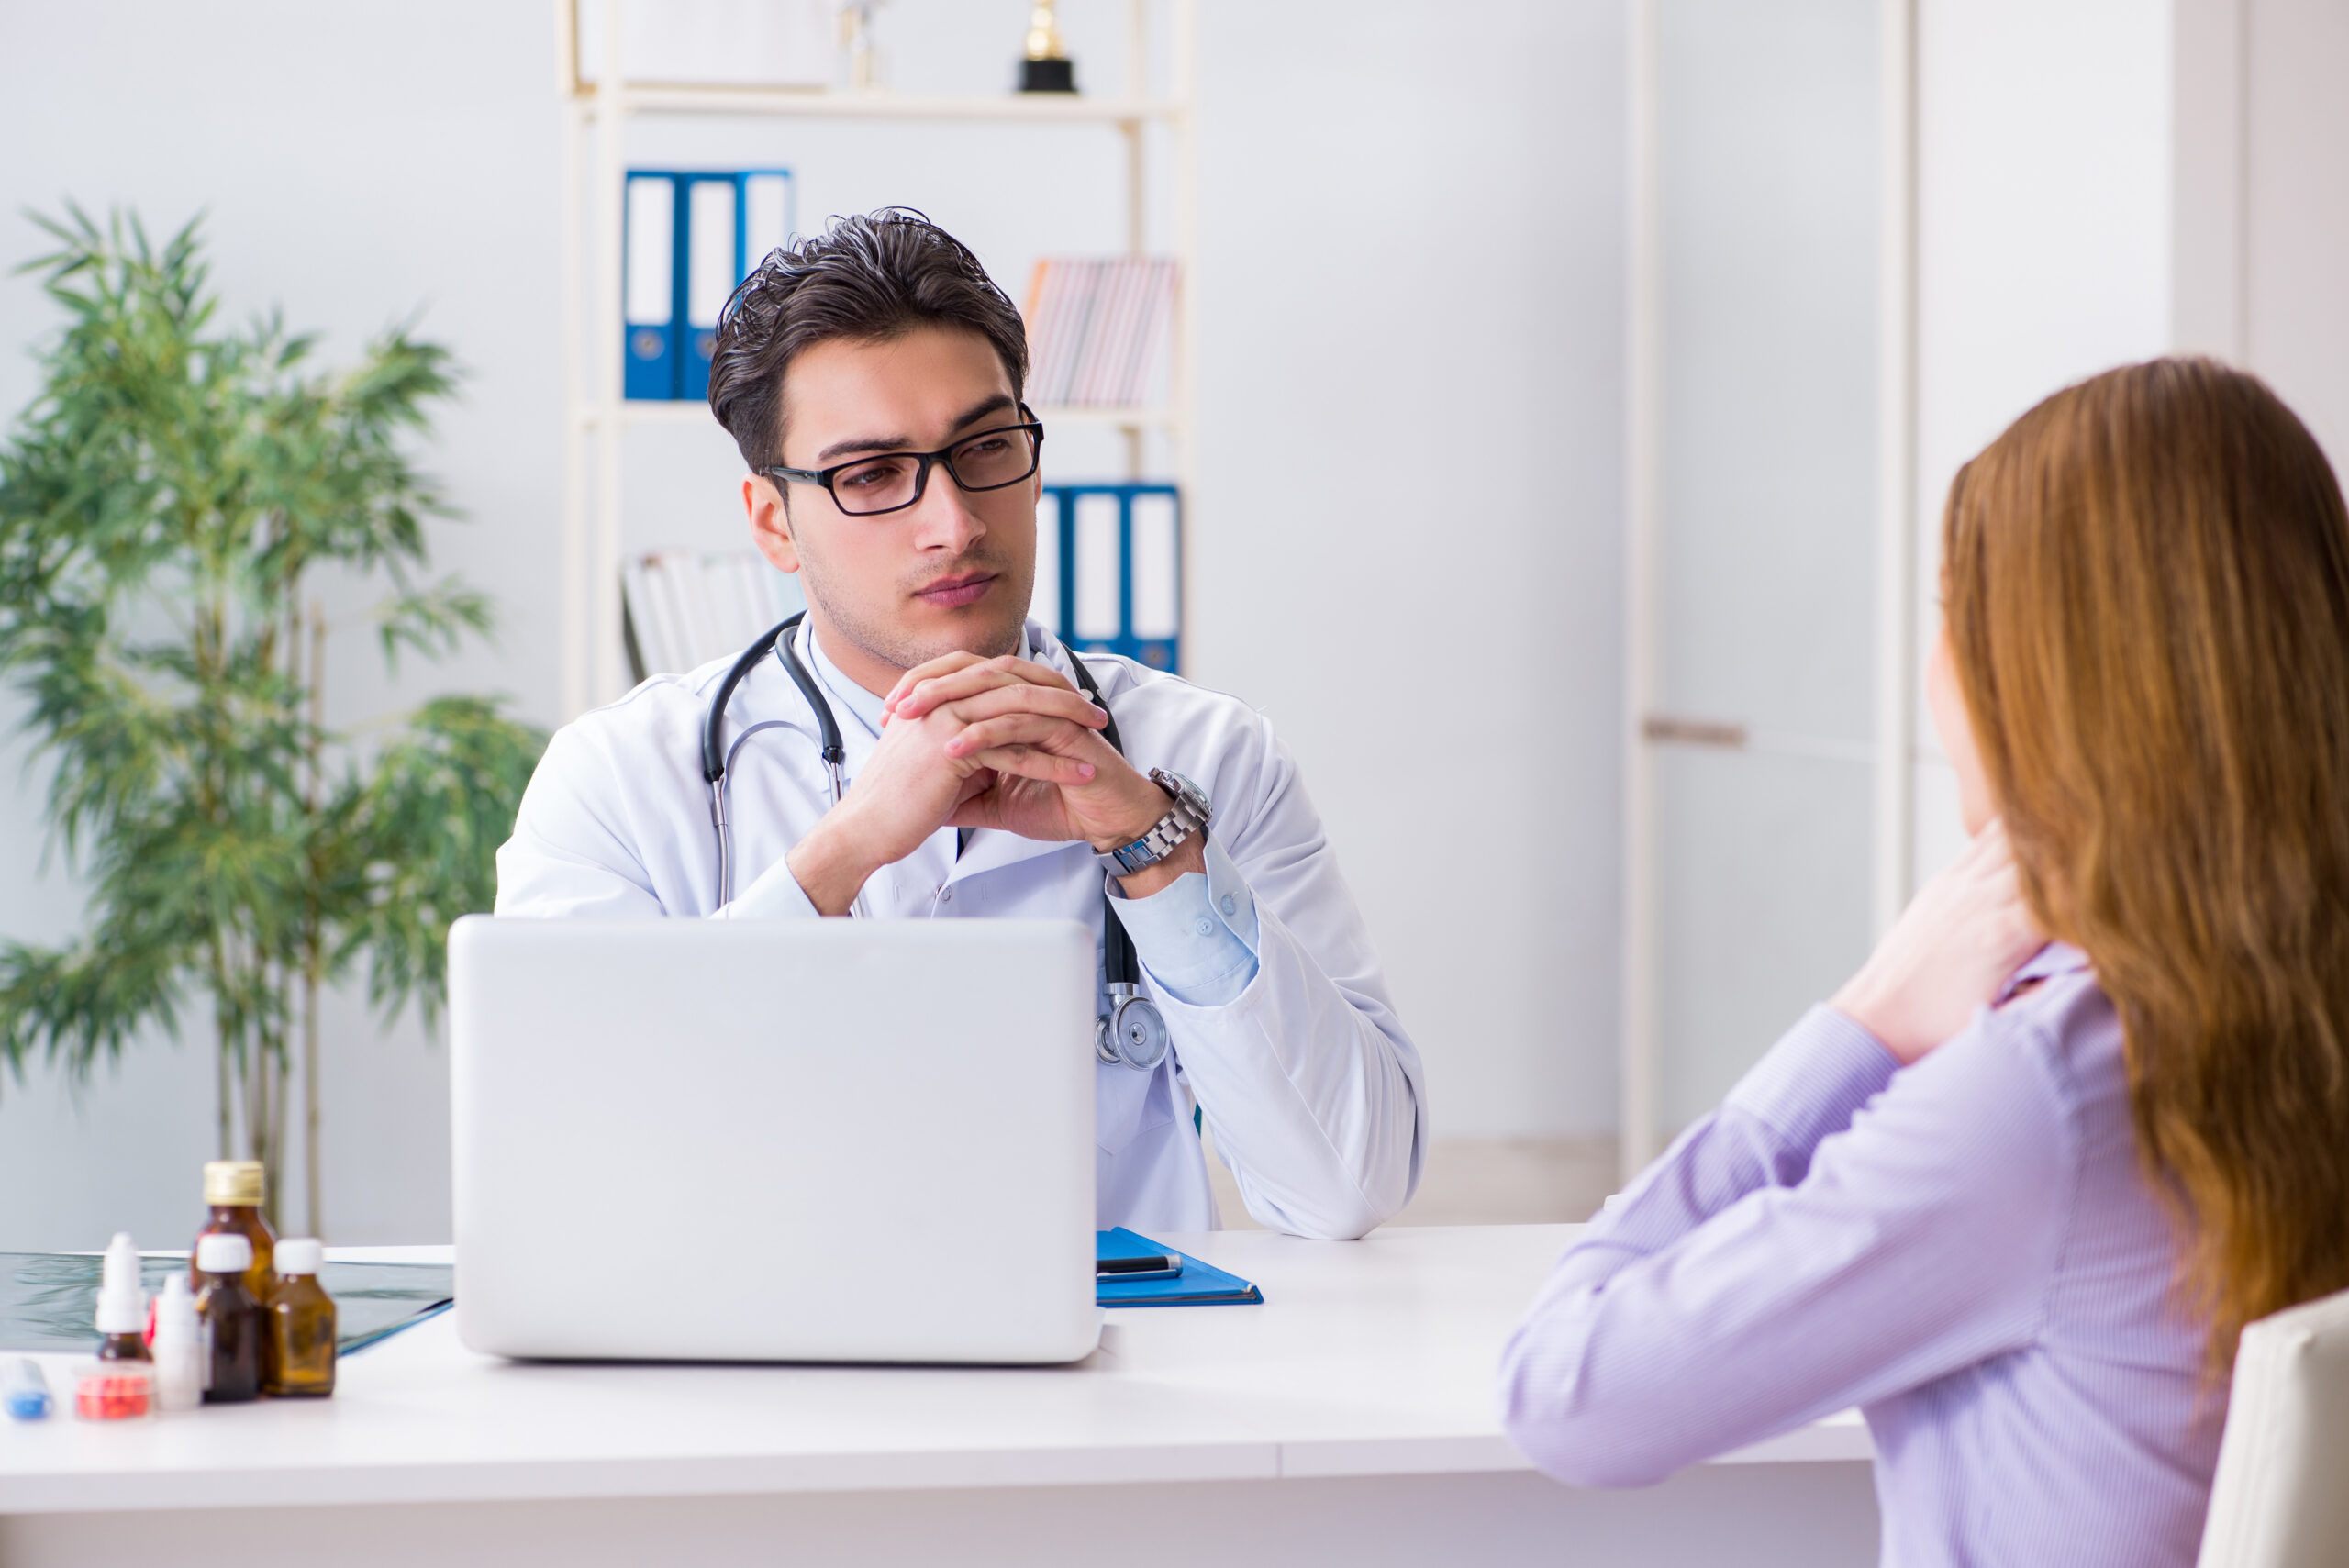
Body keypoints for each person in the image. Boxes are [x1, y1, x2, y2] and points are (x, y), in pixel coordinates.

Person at [1497, 358, 2349, 1565]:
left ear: (2051, 675)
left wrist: (1871, 1019)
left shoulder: (2044, 1099)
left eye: (1953, 614)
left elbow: (1565, 1393)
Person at [495, 210, 1424, 1241]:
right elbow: (571, 1168)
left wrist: (1153, 849)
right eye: (871, 475)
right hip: (754, 1386)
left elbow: (1350, 1184)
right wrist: (840, 858)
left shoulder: (1202, 758)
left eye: (985, 446)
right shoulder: (623, 778)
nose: (956, 522)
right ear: (773, 522)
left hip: (1122, 1383)